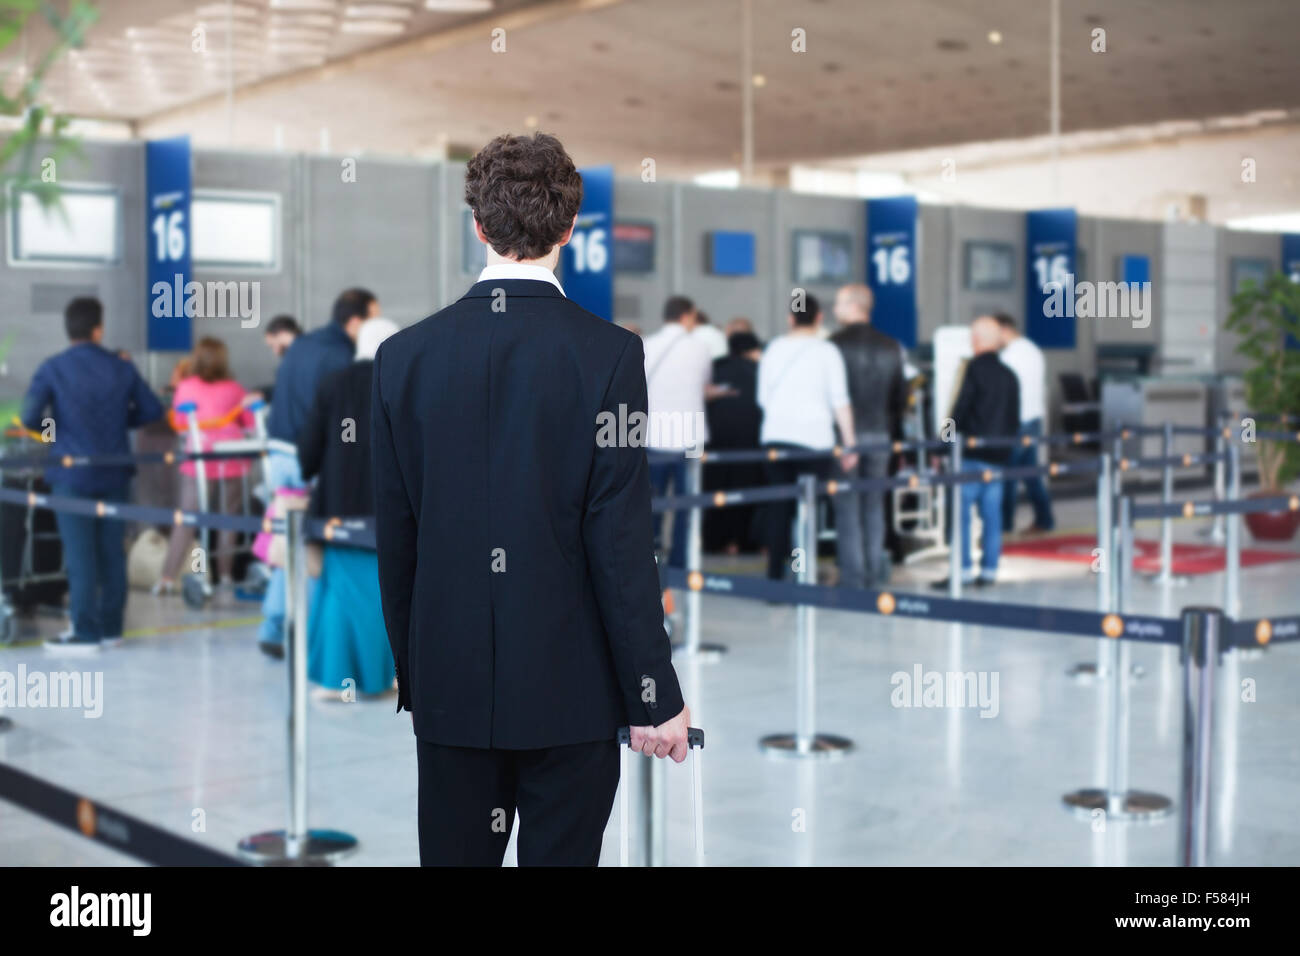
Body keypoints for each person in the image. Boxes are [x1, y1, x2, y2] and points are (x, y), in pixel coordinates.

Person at [371, 132, 689, 867]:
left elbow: (398, 538)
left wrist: (419, 671)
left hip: (449, 681)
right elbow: (619, 542)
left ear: (477, 225)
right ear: (570, 229)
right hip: (570, 688)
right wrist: (654, 692)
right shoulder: (609, 354)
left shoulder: (402, 359)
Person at [21, 297, 164, 654]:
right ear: (99, 328)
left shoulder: (53, 367)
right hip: (115, 472)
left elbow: (29, 417)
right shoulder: (121, 366)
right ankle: (112, 629)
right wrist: (120, 421)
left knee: (80, 554)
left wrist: (55, 434)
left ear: (68, 329)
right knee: (112, 553)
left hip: (71, 475)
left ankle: (84, 632)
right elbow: (151, 409)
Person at [258, 289, 377, 659]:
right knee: (312, 547)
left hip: (278, 454)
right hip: (308, 459)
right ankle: (300, 633)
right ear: (355, 321)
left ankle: (274, 624)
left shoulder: (302, 344)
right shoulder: (343, 359)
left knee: (289, 539)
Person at [297, 318, 400, 701]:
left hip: (338, 506)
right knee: (387, 592)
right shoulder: (400, 382)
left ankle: (335, 680)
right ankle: (388, 675)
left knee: (338, 593)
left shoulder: (333, 383)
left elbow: (309, 446)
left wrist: (309, 471)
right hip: (387, 505)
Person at [756, 292, 858, 582]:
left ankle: (774, 579)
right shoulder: (827, 352)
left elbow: (763, 399)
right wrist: (850, 444)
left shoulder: (773, 349)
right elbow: (840, 402)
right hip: (815, 442)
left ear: (790, 318)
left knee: (779, 509)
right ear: (819, 318)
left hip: (775, 438)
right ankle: (804, 575)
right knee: (808, 511)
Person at [157, 338, 255, 594]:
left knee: (187, 519)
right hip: (231, 459)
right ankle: (224, 578)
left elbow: (178, 421)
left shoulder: (186, 387)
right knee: (227, 520)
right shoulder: (235, 389)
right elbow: (248, 421)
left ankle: (167, 578)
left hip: (198, 458)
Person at [932, 316, 1020, 590]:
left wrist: (941, 447)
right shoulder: (1010, 376)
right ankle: (990, 571)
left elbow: (956, 411)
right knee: (992, 517)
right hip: (998, 458)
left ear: (976, 340)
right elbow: (1013, 419)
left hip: (970, 456)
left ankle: (963, 571)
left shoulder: (970, 370)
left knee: (961, 518)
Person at [829, 283, 907, 588]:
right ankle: (874, 572)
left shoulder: (833, 345)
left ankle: (853, 577)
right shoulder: (891, 346)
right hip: (880, 434)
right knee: (874, 505)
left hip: (844, 437)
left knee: (847, 507)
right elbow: (900, 397)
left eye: (838, 304)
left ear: (852, 306)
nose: (834, 310)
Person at [642, 294, 713, 569]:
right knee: (688, 504)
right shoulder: (700, 347)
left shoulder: (647, 344)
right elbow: (704, 382)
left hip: (654, 434)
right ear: (686, 316)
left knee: (651, 503)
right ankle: (683, 562)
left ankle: (650, 557)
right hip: (691, 437)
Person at [704, 330, 763, 553]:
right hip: (750, 443)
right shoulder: (759, 370)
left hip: (715, 442)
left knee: (715, 492)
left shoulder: (715, 367)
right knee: (747, 495)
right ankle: (745, 543)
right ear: (750, 350)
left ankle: (714, 543)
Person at [994, 313, 1055, 534]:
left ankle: (1005, 525)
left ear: (1004, 329)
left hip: (1016, 422)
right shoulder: (1033, 350)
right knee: (1031, 475)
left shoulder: (1009, 356)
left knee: (1008, 477)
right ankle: (1045, 519)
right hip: (1034, 420)